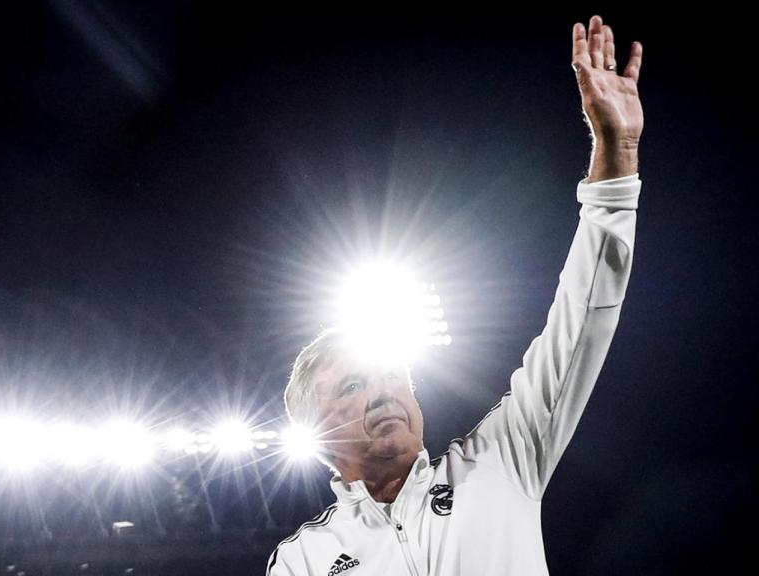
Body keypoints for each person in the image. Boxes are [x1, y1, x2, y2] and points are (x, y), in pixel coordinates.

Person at [266, 15, 644, 576]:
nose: (383, 392)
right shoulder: (302, 561)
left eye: (393, 376)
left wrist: (617, 154)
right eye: (353, 384)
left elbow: (583, 317)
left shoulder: (502, 458)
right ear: (314, 430)